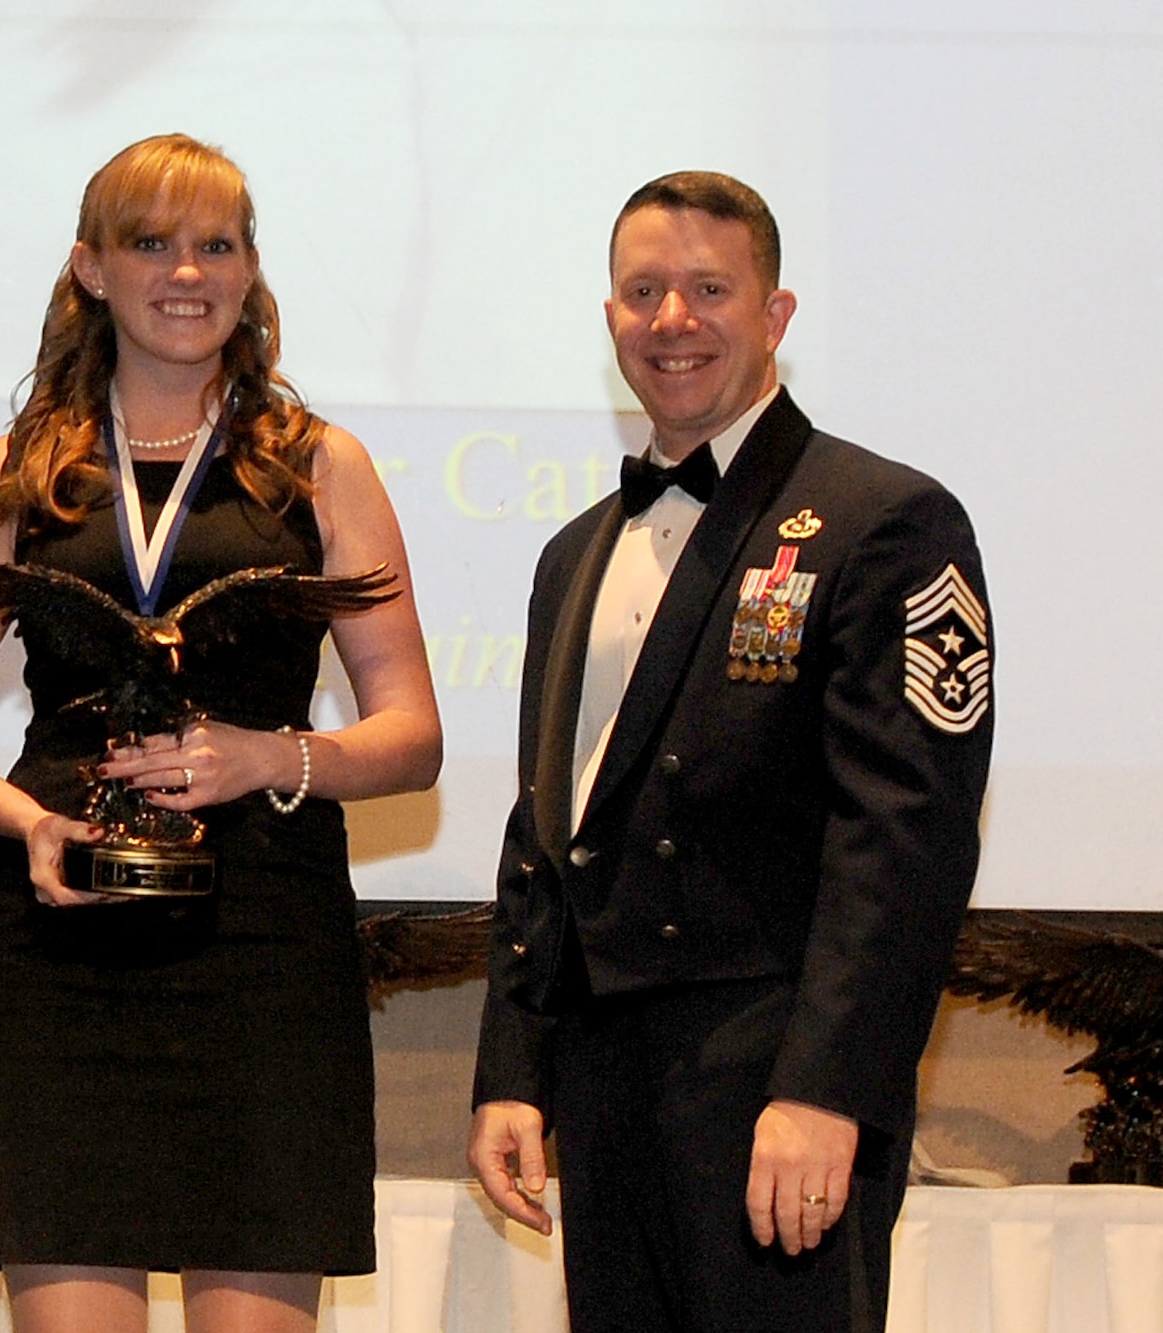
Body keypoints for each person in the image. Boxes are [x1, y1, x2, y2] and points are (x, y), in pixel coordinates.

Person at [0, 134, 442, 1333]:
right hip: (63, 946)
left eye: (215, 244)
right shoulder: (15, 474)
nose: (185, 272)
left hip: (263, 952)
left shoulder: (319, 468)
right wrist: (23, 818)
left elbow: (410, 736)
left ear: (249, 272)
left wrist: (268, 757)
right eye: (150, 243)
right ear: (90, 268)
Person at [468, 171, 993, 1332]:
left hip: (773, 1081)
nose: (672, 320)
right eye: (642, 290)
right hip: (604, 1091)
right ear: (607, 316)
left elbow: (901, 835)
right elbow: (543, 832)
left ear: (776, 314)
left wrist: (825, 1088)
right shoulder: (571, 552)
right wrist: (513, 1065)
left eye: (709, 288)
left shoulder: (882, 518)